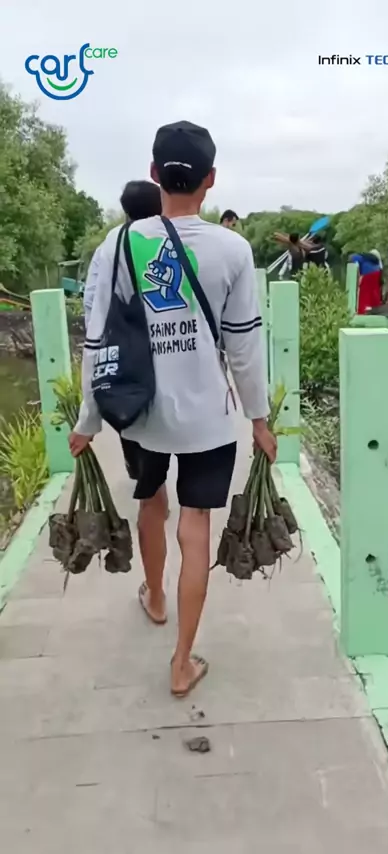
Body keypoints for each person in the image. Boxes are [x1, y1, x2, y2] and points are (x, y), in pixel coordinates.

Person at [70, 120, 276, 697]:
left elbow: (98, 339)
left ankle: (156, 597)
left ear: (155, 173)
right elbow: (244, 345)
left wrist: (88, 421)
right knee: (195, 525)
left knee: (150, 502)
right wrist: (259, 421)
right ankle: (182, 662)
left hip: (140, 412)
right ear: (211, 180)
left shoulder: (118, 244)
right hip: (208, 418)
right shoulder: (233, 249)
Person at [83, 180, 164, 488]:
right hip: (167, 348)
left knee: (132, 412)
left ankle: (146, 480)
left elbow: (92, 301)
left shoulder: (110, 244)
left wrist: (103, 343)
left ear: (126, 211)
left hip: (126, 351)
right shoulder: (172, 238)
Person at [83, 180, 163, 328]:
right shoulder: (170, 245)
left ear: (126, 211)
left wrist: (95, 334)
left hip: (122, 334)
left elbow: (92, 298)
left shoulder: (109, 246)